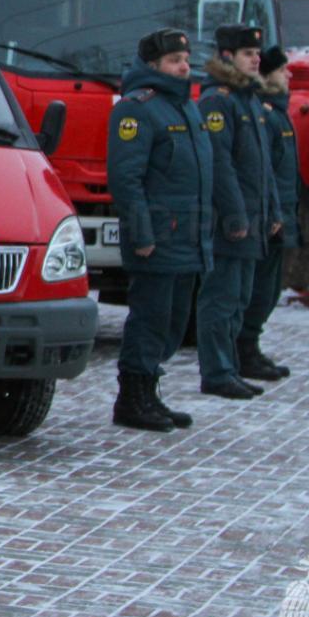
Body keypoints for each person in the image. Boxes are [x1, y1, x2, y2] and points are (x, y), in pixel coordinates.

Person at [105, 28, 212, 431]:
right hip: (158, 238)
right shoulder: (137, 108)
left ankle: (150, 391)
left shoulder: (186, 107)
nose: (183, 66)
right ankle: (132, 398)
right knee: (150, 319)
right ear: (152, 66)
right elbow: (126, 178)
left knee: (173, 321)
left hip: (188, 237)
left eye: (185, 60)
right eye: (173, 61)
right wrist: (143, 234)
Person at [195, 23, 283, 400]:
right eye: (249, 53)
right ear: (228, 55)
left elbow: (262, 167)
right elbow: (221, 164)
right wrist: (236, 215)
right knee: (222, 298)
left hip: (253, 218)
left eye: (257, 53)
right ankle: (216, 372)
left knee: (240, 299)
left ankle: (229, 365)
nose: (256, 59)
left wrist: (272, 208)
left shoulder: (248, 98)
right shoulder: (220, 100)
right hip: (232, 221)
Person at [236, 45, 298, 381]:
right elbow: (265, 171)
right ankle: (243, 349)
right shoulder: (265, 111)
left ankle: (250, 346)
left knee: (270, 288)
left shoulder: (278, 111)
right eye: (282, 69)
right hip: (268, 217)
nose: (289, 75)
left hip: (280, 214)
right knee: (258, 288)